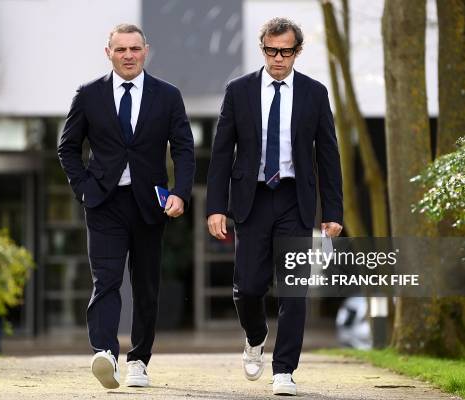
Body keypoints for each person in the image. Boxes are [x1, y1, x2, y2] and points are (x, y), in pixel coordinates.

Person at [206, 17, 343, 396]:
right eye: (270, 50)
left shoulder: (315, 94)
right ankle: (255, 336)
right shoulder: (239, 91)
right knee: (248, 289)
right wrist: (216, 207)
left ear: (297, 51)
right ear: (262, 48)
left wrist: (333, 213)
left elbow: (329, 156)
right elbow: (221, 154)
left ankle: (285, 370)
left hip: (294, 198)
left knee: (294, 289)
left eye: (285, 51)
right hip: (251, 198)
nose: (277, 58)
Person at [58, 23, 195, 390]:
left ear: (145, 50)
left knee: (146, 285)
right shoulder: (88, 95)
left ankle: (138, 360)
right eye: (121, 50)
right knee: (106, 281)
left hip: (150, 205)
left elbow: (183, 148)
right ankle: (104, 352)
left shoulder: (167, 96)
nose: (129, 56)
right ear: (109, 53)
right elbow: (67, 147)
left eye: (135, 49)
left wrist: (180, 192)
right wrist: (84, 188)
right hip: (103, 203)